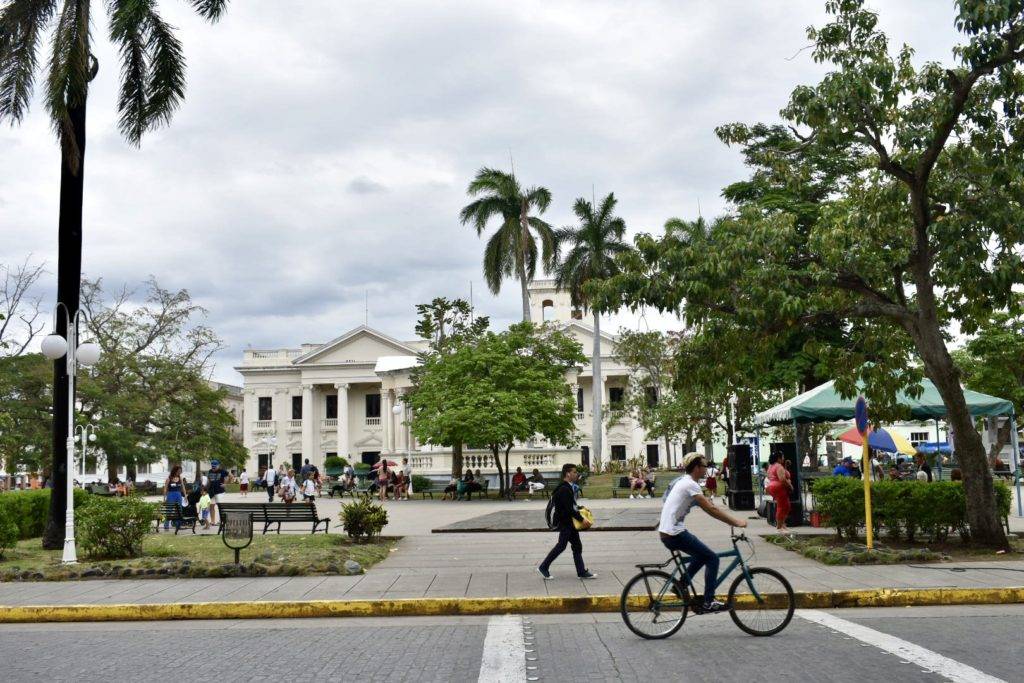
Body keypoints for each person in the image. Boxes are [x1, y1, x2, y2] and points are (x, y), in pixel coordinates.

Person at [659, 452, 747, 614]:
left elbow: (707, 507)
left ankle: (681, 586)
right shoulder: (691, 485)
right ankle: (709, 601)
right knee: (711, 558)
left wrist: (722, 515)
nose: (707, 469)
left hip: (669, 532)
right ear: (697, 468)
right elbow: (711, 509)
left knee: (701, 555)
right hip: (674, 533)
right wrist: (735, 522)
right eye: (705, 466)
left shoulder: (685, 482)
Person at [538, 463, 595, 580]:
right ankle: (543, 567)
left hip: (569, 522)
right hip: (566, 522)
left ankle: (581, 572)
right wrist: (582, 519)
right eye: (574, 472)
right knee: (562, 546)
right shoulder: (564, 489)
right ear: (568, 474)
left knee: (576, 546)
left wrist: (580, 509)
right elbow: (568, 509)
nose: (576, 474)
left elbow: (570, 505)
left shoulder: (566, 487)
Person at [765, 452, 792, 533]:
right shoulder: (778, 466)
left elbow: (771, 476)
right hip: (779, 487)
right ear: (779, 458)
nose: (783, 459)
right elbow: (782, 479)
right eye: (782, 457)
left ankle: (782, 525)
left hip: (772, 486)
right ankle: (779, 527)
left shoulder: (771, 466)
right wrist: (790, 486)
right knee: (782, 506)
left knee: (786, 506)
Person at [206, 460, 230, 526]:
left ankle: (221, 521)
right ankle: (213, 521)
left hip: (220, 491)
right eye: (212, 466)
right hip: (211, 491)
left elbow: (231, 476)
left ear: (218, 465)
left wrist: (225, 483)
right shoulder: (210, 471)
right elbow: (209, 481)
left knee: (220, 506)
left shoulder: (223, 471)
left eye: (215, 466)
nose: (213, 468)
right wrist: (206, 489)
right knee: (211, 506)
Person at [162, 465, 185, 531]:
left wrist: (185, 496)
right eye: (179, 471)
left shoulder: (180, 478)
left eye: (180, 471)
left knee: (179, 510)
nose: (180, 472)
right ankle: (166, 526)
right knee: (169, 510)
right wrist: (164, 498)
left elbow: (183, 487)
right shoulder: (169, 478)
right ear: (175, 470)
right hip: (171, 494)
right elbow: (165, 489)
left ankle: (178, 525)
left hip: (178, 494)